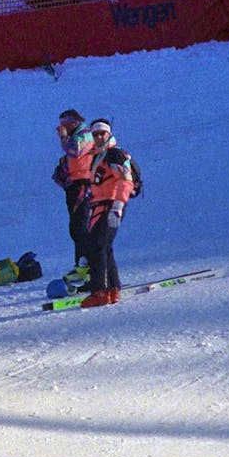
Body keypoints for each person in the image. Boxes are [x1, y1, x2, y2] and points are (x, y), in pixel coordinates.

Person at [80, 119, 135, 308]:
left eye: (102, 133)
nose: (98, 137)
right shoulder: (99, 155)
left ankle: (99, 291)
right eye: (95, 134)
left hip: (111, 205)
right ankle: (112, 288)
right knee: (104, 247)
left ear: (109, 134)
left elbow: (125, 180)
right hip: (99, 205)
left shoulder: (113, 154)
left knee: (98, 247)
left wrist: (118, 206)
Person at [53, 109, 95, 280]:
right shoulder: (77, 135)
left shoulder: (84, 134)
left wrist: (63, 137)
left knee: (80, 227)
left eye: (65, 123)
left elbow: (74, 150)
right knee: (75, 228)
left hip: (83, 185)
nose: (62, 127)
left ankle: (88, 267)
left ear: (74, 122)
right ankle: (81, 265)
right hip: (74, 185)